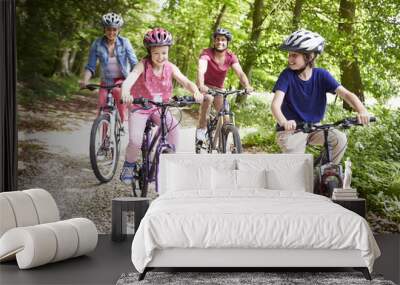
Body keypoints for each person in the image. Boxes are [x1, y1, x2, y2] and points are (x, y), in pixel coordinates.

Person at [271, 29, 370, 164]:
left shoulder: (321, 75)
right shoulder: (287, 75)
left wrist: (362, 110)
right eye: (289, 55)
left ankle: (325, 171)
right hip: (291, 130)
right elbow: (275, 105)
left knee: (339, 139)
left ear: (309, 56)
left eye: (294, 55)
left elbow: (346, 94)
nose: (290, 59)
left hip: (314, 128)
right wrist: (284, 122)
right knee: (295, 168)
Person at [119, 28, 203, 184]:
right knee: (136, 141)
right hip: (140, 107)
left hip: (160, 108)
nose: (160, 56)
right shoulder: (143, 65)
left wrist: (196, 91)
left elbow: (185, 81)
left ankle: (170, 162)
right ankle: (129, 165)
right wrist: (125, 92)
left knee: (173, 128)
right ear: (150, 52)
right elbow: (129, 79)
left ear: (168, 51)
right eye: (156, 53)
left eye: (164, 53)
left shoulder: (170, 67)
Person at [196, 28, 253, 142]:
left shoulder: (230, 56)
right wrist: (201, 85)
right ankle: (201, 130)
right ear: (214, 41)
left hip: (219, 89)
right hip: (205, 86)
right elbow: (201, 69)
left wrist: (247, 86)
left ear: (227, 42)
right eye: (218, 39)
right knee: (207, 100)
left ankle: (225, 142)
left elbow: (240, 73)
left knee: (226, 117)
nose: (220, 42)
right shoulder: (206, 52)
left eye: (223, 40)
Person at [79, 12, 137, 122]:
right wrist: (85, 81)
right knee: (102, 106)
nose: (111, 32)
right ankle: (103, 134)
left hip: (122, 79)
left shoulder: (125, 42)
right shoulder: (97, 44)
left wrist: (134, 80)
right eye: (108, 29)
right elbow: (90, 66)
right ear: (104, 29)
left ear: (119, 30)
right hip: (106, 80)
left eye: (114, 29)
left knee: (118, 92)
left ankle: (122, 119)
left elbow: (134, 63)